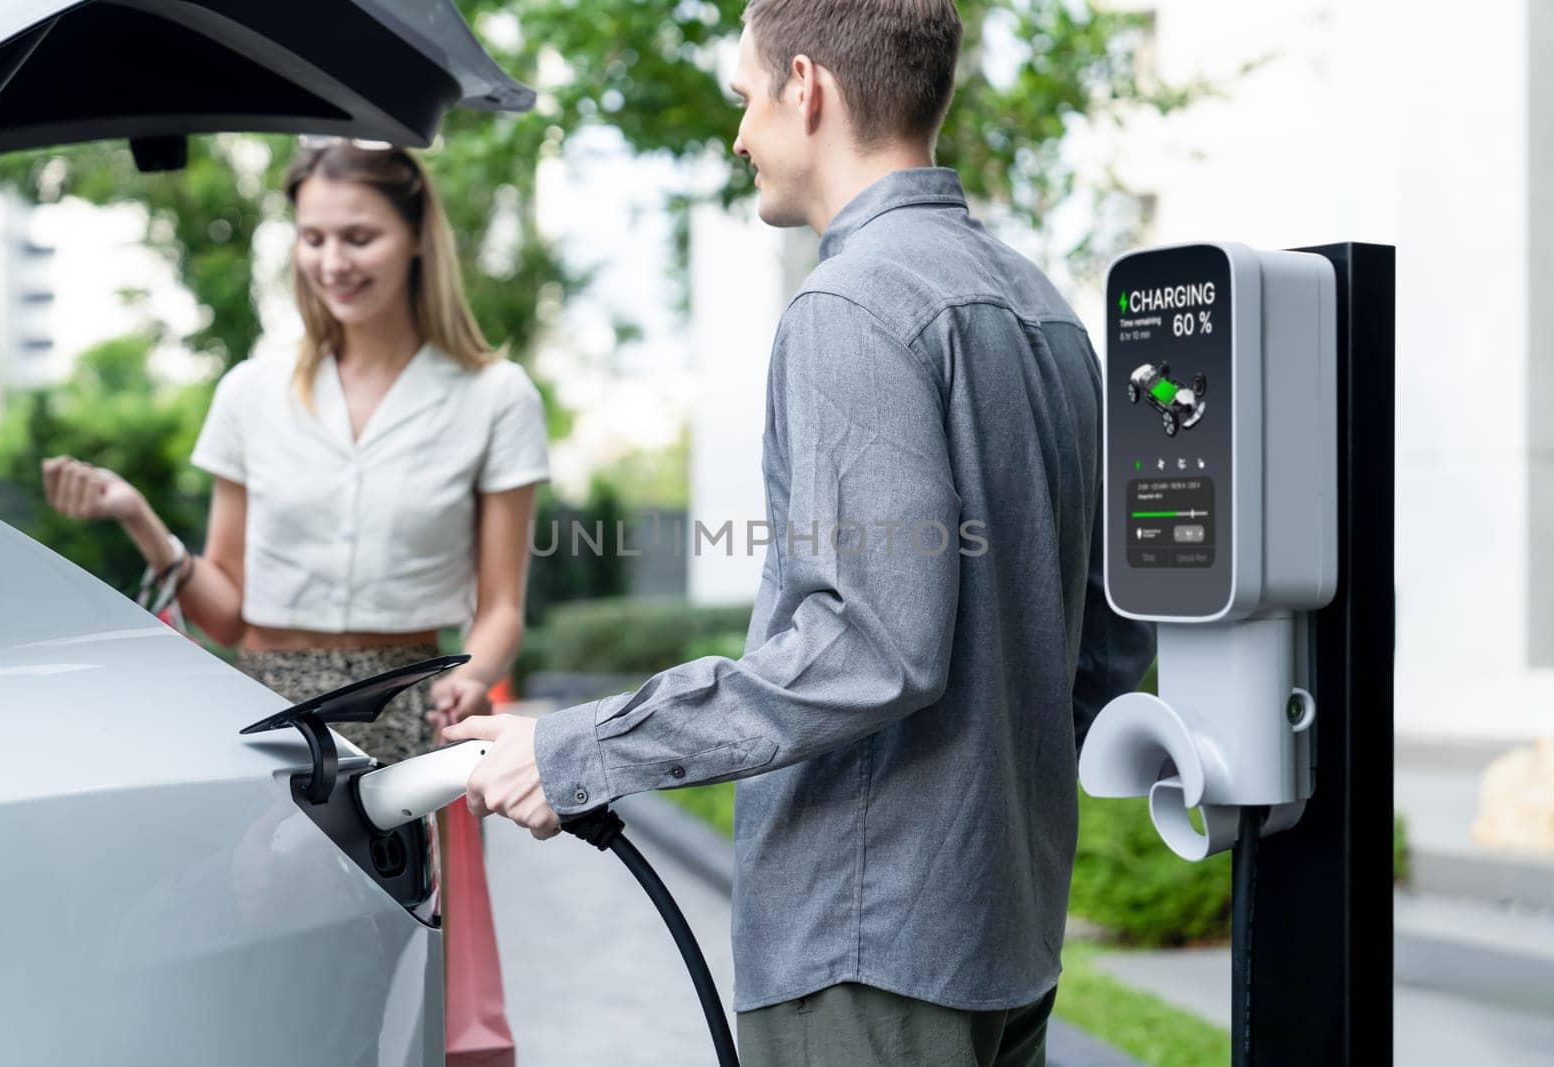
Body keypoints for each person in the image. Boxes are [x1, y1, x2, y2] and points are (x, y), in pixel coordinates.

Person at [445, 0, 1155, 1063]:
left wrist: (584, 745)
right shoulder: (1048, 313)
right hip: (1004, 934)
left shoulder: (849, 306)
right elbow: (1107, 638)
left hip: (865, 948)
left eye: (745, 98)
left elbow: (871, 646)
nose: (738, 136)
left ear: (805, 87)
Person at [43, 141, 549, 764]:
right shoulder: (250, 393)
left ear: (417, 237)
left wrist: (473, 677)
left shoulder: (497, 397)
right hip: (266, 716)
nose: (333, 262)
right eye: (313, 239)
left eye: (359, 237)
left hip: (414, 717)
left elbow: (500, 608)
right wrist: (137, 516)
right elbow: (226, 618)